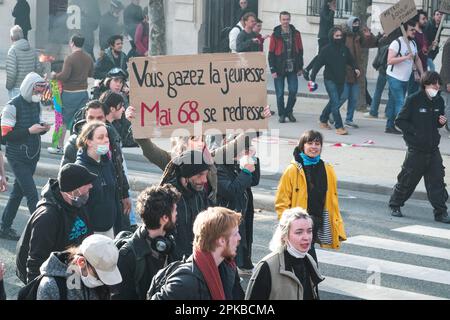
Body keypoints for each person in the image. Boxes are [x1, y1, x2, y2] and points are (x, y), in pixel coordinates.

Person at [15, 163, 96, 284]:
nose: (91, 185)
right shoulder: (47, 217)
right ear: (74, 189)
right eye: (86, 183)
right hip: (50, 273)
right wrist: (35, 291)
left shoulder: (78, 203)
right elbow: (35, 262)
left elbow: (89, 235)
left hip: (70, 267)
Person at [275, 130, 347, 260]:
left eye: (317, 143)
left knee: (304, 253)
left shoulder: (327, 168)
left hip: (317, 219)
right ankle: (309, 278)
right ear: (303, 146)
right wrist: (284, 224)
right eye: (310, 143)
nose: (314, 147)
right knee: (306, 254)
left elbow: (331, 199)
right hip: (298, 221)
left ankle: (306, 277)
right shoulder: (293, 169)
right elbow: (282, 200)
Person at [389, 72, 450, 224]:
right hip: (416, 150)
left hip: (432, 149)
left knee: (437, 182)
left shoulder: (439, 101)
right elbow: (400, 121)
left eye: (438, 83)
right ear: (425, 84)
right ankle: (395, 204)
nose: (437, 86)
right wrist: (415, 133)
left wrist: (441, 122)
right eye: (433, 84)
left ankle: (441, 213)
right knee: (407, 180)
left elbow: (437, 122)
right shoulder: (413, 100)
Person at [150, 207, 244, 300]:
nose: (239, 237)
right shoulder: (185, 283)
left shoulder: (227, 268)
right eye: (235, 234)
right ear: (221, 241)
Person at [0, 73, 50, 241]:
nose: (40, 93)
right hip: (17, 158)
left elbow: (36, 126)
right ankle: (42, 233)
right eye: (38, 89)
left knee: (17, 194)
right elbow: (5, 136)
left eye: (42, 90)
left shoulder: (36, 105)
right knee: (31, 194)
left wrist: (44, 129)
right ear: (30, 87)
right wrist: (30, 130)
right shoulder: (12, 106)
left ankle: (4, 227)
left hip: (32, 157)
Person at [112, 184, 180, 300]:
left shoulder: (169, 244)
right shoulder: (127, 256)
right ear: (165, 218)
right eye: (174, 211)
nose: (177, 214)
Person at [246, 208, 324, 300]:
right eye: (299, 232)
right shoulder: (267, 267)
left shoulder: (309, 260)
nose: (306, 237)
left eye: (309, 231)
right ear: (284, 236)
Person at [159, 150, 212, 259]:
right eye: (200, 175)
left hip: (195, 259)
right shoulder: (167, 196)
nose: (204, 180)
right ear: (186, 175)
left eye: (206, 174)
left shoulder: (200, 194)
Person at [217, 138, 260, 273]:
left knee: (244, 239)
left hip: (243, 210)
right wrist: (246, 171)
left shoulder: (236, 163)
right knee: (230, 245)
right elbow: (231, 191)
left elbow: (254, 181)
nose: (241, 152)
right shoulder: (220, 166)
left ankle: (241, 265)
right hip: (229, 213)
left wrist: (253, 159)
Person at [36, 234, 122, 300]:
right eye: (99, 276)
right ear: (81, 262)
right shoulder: (51, 287)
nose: (103, 282)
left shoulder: (98, 284)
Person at [48, 34, 94, 155]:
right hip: (83, 94)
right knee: (80, 121)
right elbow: (91, 73)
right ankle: (79, 147)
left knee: (63, 121)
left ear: (72, 43)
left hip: (69, 94)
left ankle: (59, 146)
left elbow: (65, 76)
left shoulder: (70, 58)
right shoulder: (88, 57)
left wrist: (54, 75)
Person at [310, 27, 360, 135]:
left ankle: (323, 119)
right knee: (336, 102)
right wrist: (312, 79)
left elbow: (351, 60)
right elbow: (317, 65)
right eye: (336, 36)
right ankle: (339, 126)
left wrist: (356, 68)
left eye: (340, 36)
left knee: (333, 101)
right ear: (331, 36)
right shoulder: (326, 50)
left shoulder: (344, 49)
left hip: (341, 80)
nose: (339, 38)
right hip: (329, 79)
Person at [75, 121, 121, 238]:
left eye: (106, 136)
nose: (106, 140)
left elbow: (114, 195)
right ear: (89, 142)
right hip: (90, 232)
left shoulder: (108, 162)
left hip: (109, 229)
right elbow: (78, 205)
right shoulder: (80, 168)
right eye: (100, 138)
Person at [338, 17, 378, 129]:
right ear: (350, 24)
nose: (356, 25)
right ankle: (332, 113)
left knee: (354, 97)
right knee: (344, 96)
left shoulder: (359, 36)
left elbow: (371, 43)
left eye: (357, 23)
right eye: (354, 23)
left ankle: (349, 119)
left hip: (356, 72)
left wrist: (370, 35)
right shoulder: (344, 35)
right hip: (345, 71)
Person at [385, 19, 424, 134]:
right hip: (394, 77)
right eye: (411, 30)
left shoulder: (412, 43)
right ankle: (403, 126)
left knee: (393, 101)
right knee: (401, 101)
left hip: (405, 78)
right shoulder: (396, 43)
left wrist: (422, 73)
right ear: (404, 31)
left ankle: (389, 126)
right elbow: (390, 60)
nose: (414, 32)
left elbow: (417, 59)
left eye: (415, 30)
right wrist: (406, 57)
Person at [269, 11, 304, 124]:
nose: (285, 21)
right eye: (283, 19)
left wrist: (300, 68)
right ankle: (282, 114)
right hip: (279, 69)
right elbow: (271, 53)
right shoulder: (275, 34)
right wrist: (272, 70)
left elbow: (300, 51)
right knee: (279, 94)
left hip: (293, 68)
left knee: (293, 91)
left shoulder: (296, 33)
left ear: (290, 19)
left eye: (287, 19)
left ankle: (289, 111)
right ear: (280, 20)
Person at [303, 0, 336, 81]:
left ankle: (308, 70)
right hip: (323, 37)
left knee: (322, 56)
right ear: (329, 3)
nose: (335, 5)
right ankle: (308, 70)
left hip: (328, 37)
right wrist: (332, 11)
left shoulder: (328, 11)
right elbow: (328, 20)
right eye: (333, 3)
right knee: (321, 56)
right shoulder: (323, 11)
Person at [6, 25, 41, 100]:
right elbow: (38, 69)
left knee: (16, 110)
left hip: (17, 89)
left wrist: (8, 86)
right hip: (30, 87)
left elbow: (11, 73)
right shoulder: (32, 50)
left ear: (11, 38)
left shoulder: (12, 51)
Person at [407, 11, 429, 96]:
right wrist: (415, 71)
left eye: (426, 19)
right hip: (414, 71)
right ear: (417, 20)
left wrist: (431, 47)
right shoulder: (413, 34)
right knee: (412, 95)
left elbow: (424, 52)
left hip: (423, 69)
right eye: (423, 19)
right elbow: (412, 53)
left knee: (420, 96)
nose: (425, 21)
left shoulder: (423, 34)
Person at [440, 37, 450, 127]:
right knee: (447, 105)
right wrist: (448, 82)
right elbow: (446, 63)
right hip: (447, 79)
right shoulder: (448, 44)